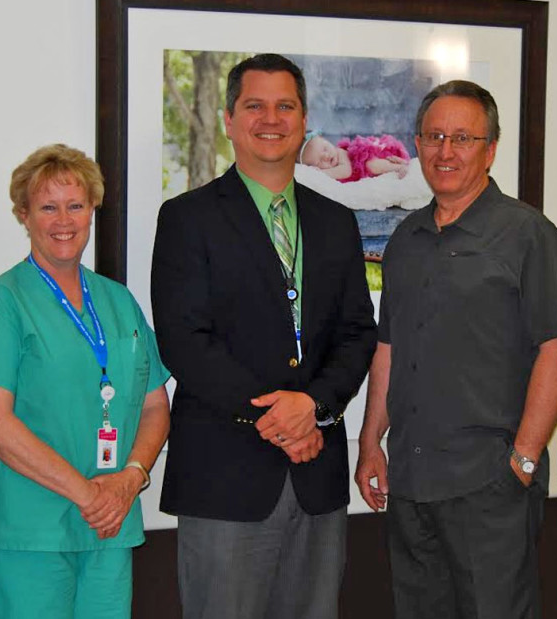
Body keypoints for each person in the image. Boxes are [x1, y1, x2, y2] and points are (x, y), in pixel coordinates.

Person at [151, 53, 377, 619]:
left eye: (285, 106)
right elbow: (185, 341)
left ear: (304, 121)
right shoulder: (187, 219)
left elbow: (356, 332)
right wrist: (278, 420)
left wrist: (315, 406)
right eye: (254, 105)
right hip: (225, 477)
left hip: (317, 476)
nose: (270, 118)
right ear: (229, 118)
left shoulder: (336, 221)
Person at [355, 80, 557, 619]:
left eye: (463, 137)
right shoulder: (405, 238)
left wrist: (522, 462)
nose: (446, 151)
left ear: (491, 149)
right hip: (410, 482)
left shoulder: (529, 235)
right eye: (434, 136)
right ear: (416, 145)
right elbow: (389, 345)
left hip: (489, 485)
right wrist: (369, 443)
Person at [0, 144, 171, 619]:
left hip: (108, 528)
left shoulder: (119, 302)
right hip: (29, 534)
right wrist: (89, 494)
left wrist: (130, 479)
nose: (63, 220)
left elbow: (154, 406)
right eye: (47, 207)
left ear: (92, 210)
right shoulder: (0, 305)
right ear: (23, 215)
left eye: (76, 205)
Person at [298, 131, 410, 182]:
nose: (326, 156)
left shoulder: (340, 153)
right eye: (320, 161)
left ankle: (398, 167)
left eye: (325, 149)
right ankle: (397, 162)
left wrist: (321, 173)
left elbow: (346, 171)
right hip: (377, 164)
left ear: (328, 141)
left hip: (372, 155)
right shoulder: (331, 175)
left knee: (371, 165)